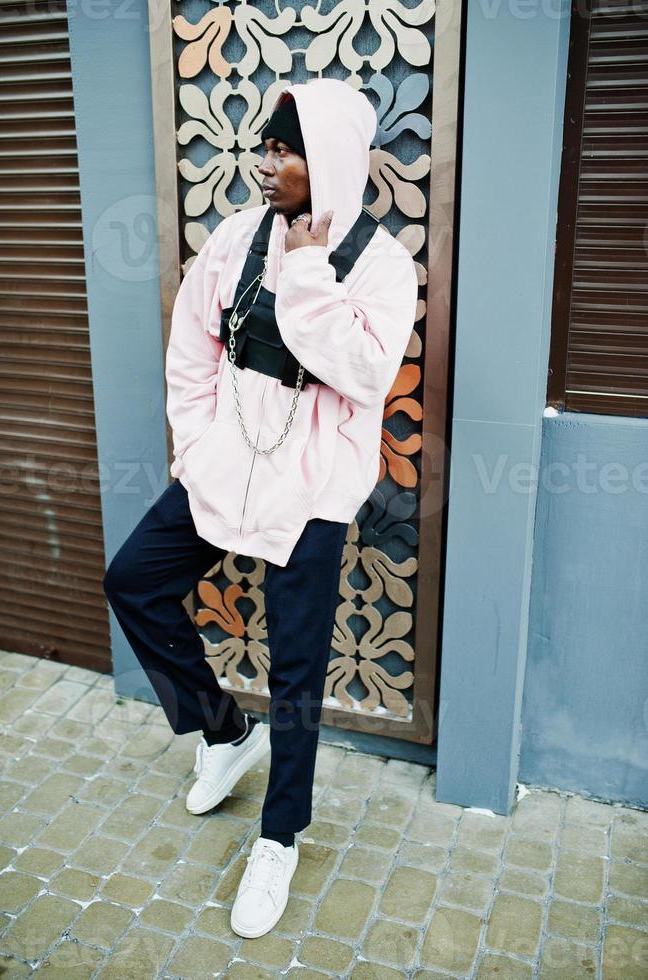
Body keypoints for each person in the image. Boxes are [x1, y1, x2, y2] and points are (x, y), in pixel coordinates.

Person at [103, 77, 418, 939]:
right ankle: (221, 732)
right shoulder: (240, 236)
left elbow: (359, 371)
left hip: (309, 491)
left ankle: (279, 837)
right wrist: (197, 443)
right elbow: (194, 339)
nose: (267, 163)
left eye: (286, 151)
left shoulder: (383, 268)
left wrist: (313, 268)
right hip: (223, 465)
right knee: (131, 580)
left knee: (297, 673)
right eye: (268, 148)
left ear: (334, 163)